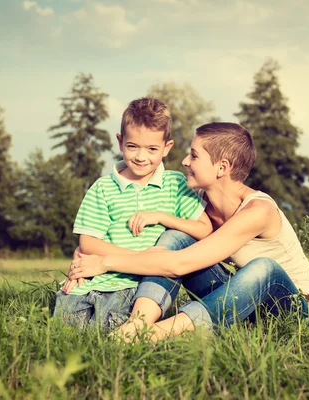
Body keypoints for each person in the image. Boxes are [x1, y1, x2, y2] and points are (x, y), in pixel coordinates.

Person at [68, 122, 309, 341]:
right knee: (177, 236)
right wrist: (87, 256)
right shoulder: (198, 202)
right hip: (243, 304)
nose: (184, 162)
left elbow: (179, 265)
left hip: (292, 310)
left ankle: (159, 333)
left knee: (264, 268)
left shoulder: (258, 211)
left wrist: (104, 262)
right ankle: (138, 324)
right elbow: (165, 246)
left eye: (194, 156)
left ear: (221, 167)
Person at [54, 98, 212, 331]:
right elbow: (87, 242)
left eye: (152, 149)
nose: (140, 157)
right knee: (65, 328)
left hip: (134, 289)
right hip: (91, 283)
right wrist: (138, 256)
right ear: (120, 142)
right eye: (132, 146)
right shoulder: (103, 187)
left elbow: (204, 228)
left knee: (114, 332)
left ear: (167, 148)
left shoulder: (175, 184)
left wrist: (161, 216)